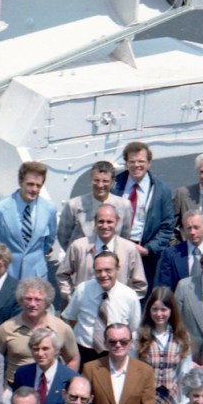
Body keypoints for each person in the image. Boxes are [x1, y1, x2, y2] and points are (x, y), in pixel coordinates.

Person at [0, 161, 61, 285]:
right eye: (30, 184)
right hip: (6, 275)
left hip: (37, 277)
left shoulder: (49, 208)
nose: (34, 189)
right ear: (20, 182)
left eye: (38, 185)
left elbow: (49, 241)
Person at [59, 202, 149, 305]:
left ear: (118, 222)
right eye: (101, 221)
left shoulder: (129, 249)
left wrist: (126, 303)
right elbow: (62, 275)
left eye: (109, 222)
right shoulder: (79, 246)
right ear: (95, 222)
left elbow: (140, 284)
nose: (105, 226)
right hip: (84, 308)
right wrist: (72, 297)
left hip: (116, 311)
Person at [63, 251, 143, 360]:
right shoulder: (83, 290)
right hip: (84, 350)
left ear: (117, 269)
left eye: (108, 270)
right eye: (99, 271)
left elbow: (134, 328)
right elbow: (71, 318)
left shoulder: (129, 296)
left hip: (114, 353)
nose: (103, 275)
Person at [81, 323, 152, 404]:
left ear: (131, 343)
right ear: (105, 344)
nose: (118, 345)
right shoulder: (90, 369)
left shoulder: (146, 371)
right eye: (112, 341)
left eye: (123, 342)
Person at [112, 140, 178, 272]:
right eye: (132, 161)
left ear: (149, 163)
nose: (136, 165)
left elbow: (167, 226)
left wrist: (149, 249)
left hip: (146, 256)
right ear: (126, 164)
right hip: (115, 251)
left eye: (141, 161)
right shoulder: (114, 186)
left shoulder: (161, 190)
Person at [0, 277, 77, 374]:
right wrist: (2, 388)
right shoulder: (6, 329)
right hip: (15, 387)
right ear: (21, 300)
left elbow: (73, 359)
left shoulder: (61, 328)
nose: (32, 304)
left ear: (47, 302)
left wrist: (66, 382)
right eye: (28, 299)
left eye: (38, 299)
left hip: (50, 386)